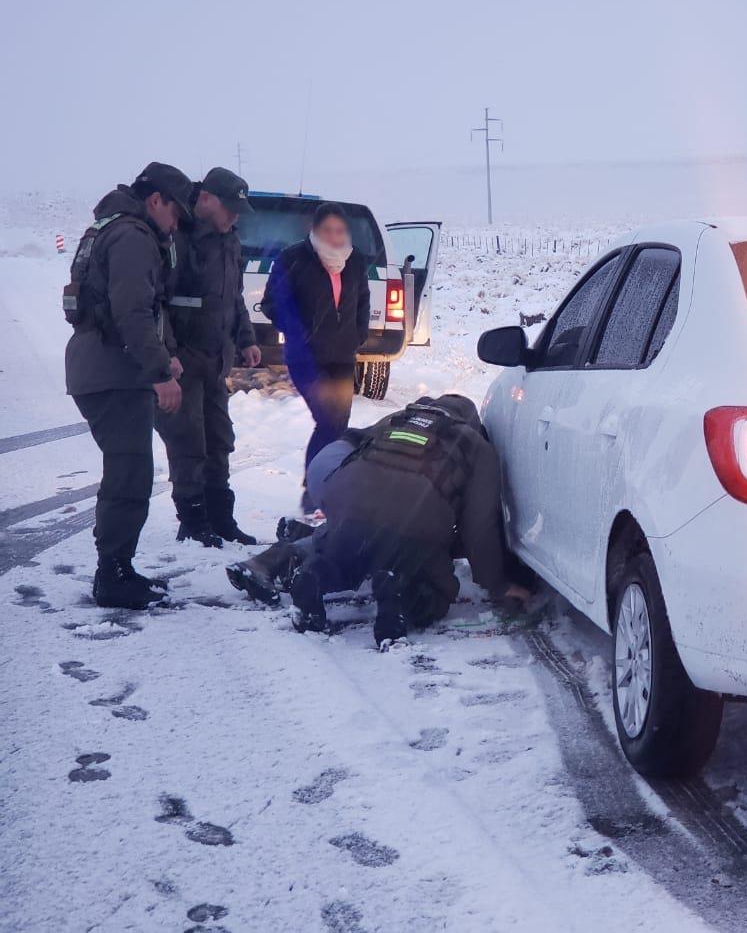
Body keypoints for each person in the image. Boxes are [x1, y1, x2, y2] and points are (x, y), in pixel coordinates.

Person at [226, 394, 530, 646]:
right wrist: (498, 584)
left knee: (349, 554)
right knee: (438, 588)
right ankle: (398, 594)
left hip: (346, 501)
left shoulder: (395, 420)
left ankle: (314, 575)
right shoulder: (476, 446)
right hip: (411, 525)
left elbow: (353, 445)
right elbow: (479, 528)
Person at [65, 162, 194, 609]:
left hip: (102, 367)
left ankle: (117, 567)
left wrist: (166, 354)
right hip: (113, 372)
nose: (176, 223)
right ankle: (113, 574)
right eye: (176, 212)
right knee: (130, 471)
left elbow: (142, 311)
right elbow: (133, 312)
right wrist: (159, 373)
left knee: (128, 468)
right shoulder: (134, 237)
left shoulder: (111, 229)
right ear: (156, 200)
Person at [156, 167, 262, 548]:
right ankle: (193, 520)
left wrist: (246, 338)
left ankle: (221, 519)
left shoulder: (229, 241)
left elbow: (233, 298)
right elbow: (157, 303)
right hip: (182, 361)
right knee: (188, 442)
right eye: (229, 208)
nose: (235, 217)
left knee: (219, 439)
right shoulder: (177, 239)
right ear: (205, 200)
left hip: (216, 360)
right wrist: (166, 356)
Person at [260, 203, 370, 511]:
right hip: (305, 356)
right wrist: (299, 332)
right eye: (327, 230)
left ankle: (322, 489)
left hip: (342, 355)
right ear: (315, 230)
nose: (334, 237)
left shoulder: (356, 260)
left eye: (339, 230)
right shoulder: (293, 259)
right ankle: (314, 491)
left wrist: (358, 333)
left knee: (338, 422)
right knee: (328, 420)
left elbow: (362, 299)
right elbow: (272, 303)